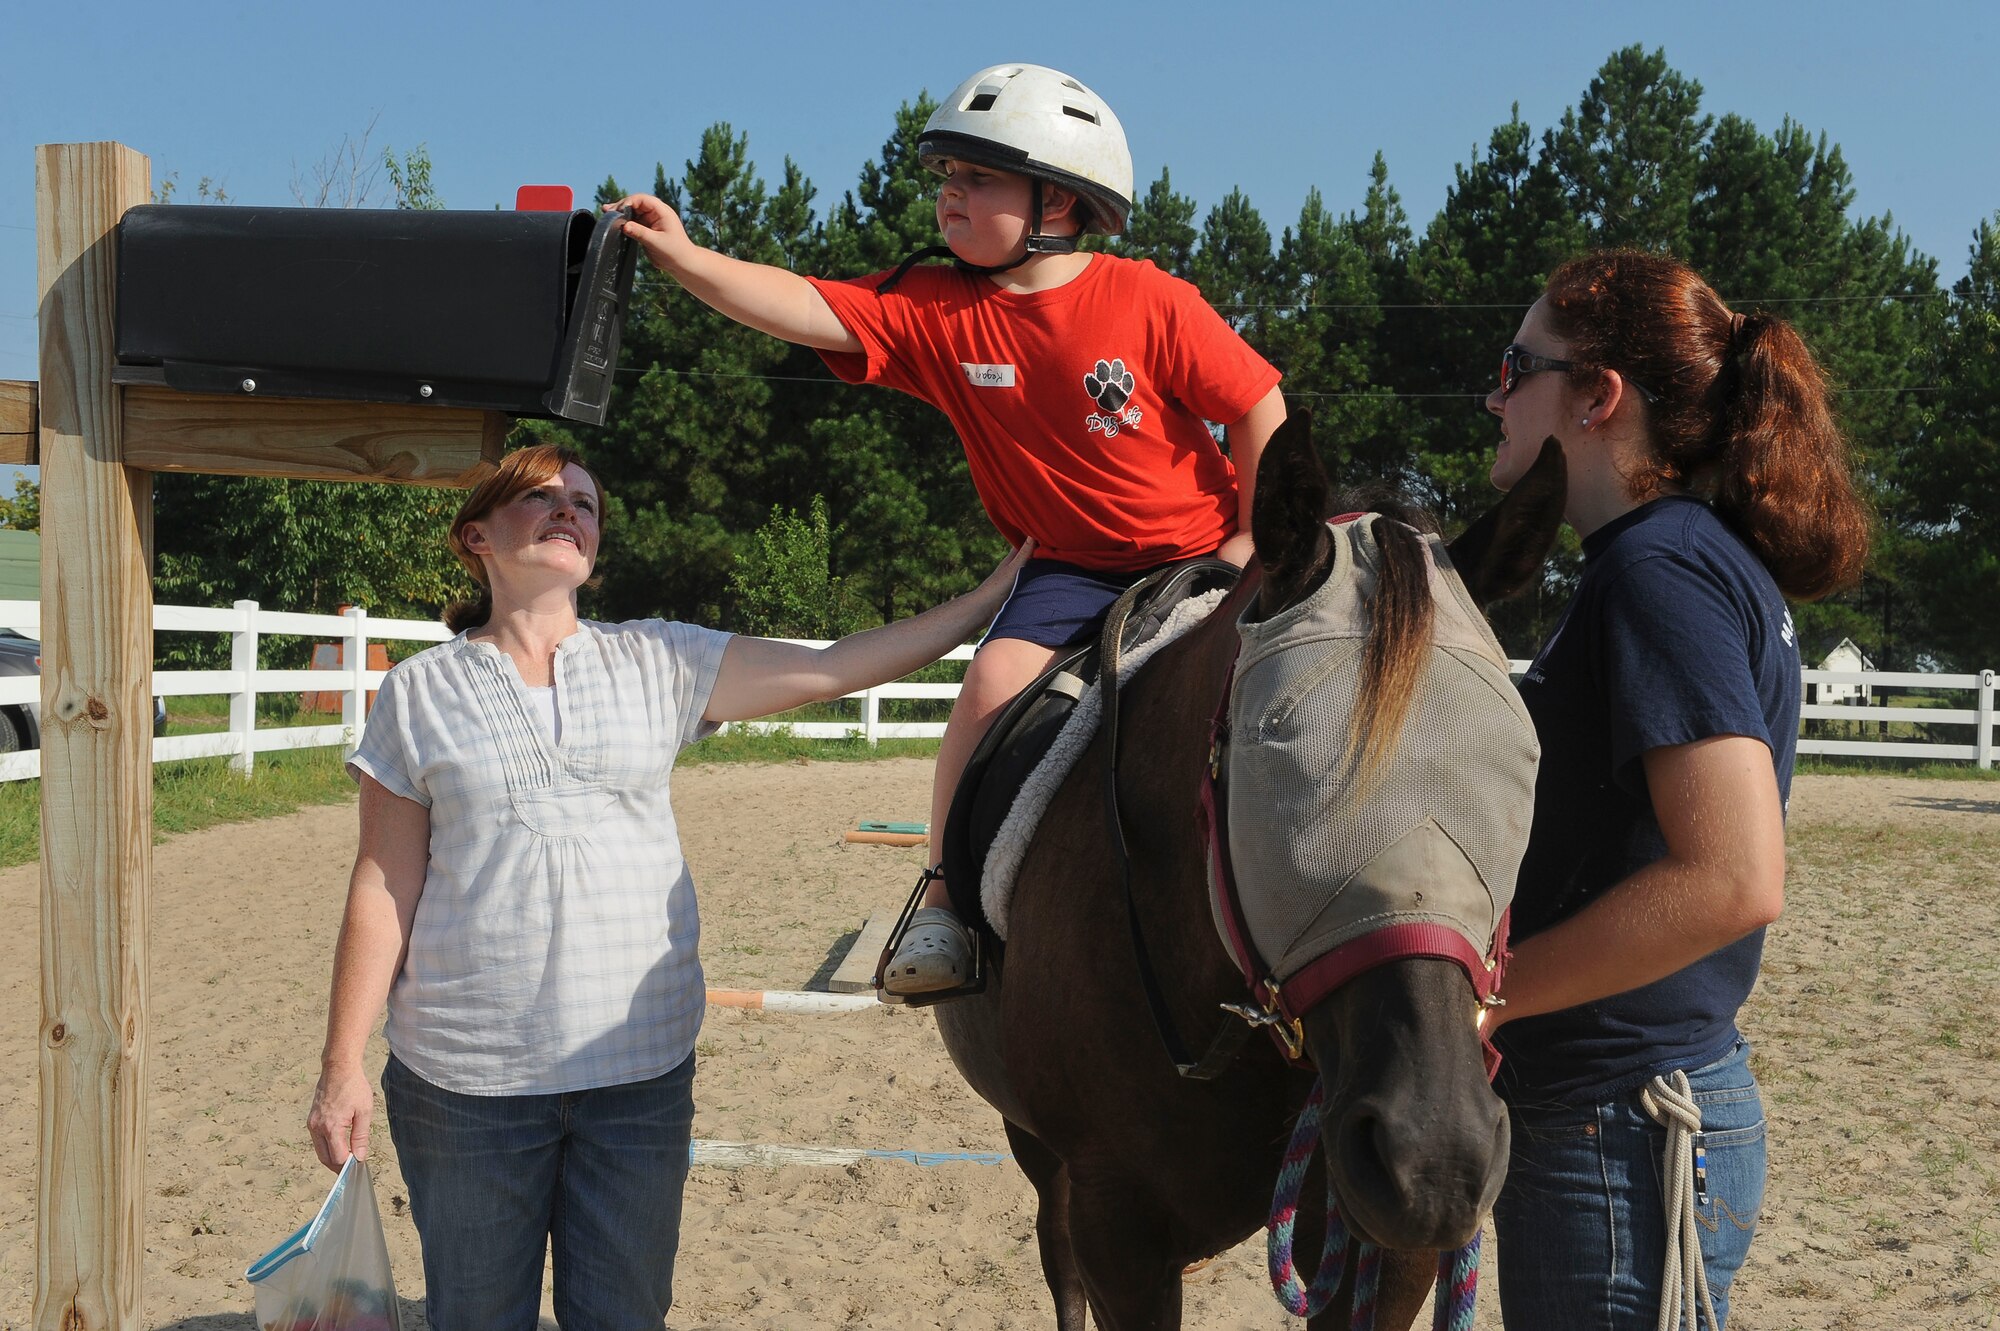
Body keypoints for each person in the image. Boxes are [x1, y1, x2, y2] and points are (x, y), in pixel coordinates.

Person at [306, 443, 1028, 1330]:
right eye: (544, 497)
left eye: (587, 504)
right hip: (466, 1087)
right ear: (478, 535)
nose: (571, 509)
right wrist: (342, 1063)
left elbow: (839, 663)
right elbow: (382, 884)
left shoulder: (660, 660)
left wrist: (990, 599)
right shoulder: (418, 691)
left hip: (637, 1079)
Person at [611, 62, 1286, 996]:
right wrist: (686, 259)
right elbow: (803, 304)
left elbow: (1259, 405)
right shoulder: (938, 310)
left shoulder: (1150, 300)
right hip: (1066, 570)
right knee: (985, 687)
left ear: (1060, 199)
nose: (950, 195)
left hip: (1204, 556)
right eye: (946, 178)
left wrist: (1255, 537)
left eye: (979, 178)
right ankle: (943, 901)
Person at [1479, 250, 1871, 1328]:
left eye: (1515, 367)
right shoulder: (1668, 558)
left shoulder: (1655, 570)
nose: (1491, 393)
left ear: (1597, 396)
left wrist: (1484, 994)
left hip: (1617, 1123)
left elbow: (1731, 875)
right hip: (1622, 1114)